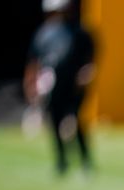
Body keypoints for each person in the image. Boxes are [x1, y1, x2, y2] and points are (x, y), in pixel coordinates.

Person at [24, 0, 95, 177]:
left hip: (73, 85)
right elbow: (34, 61)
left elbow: (90, 58)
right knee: (55, 121)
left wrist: (85, 74)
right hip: (52, 86)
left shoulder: (79, 32)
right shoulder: (43, 34)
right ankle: (61, 160)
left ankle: (85, 160)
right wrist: (31, 84)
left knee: (75, 120)